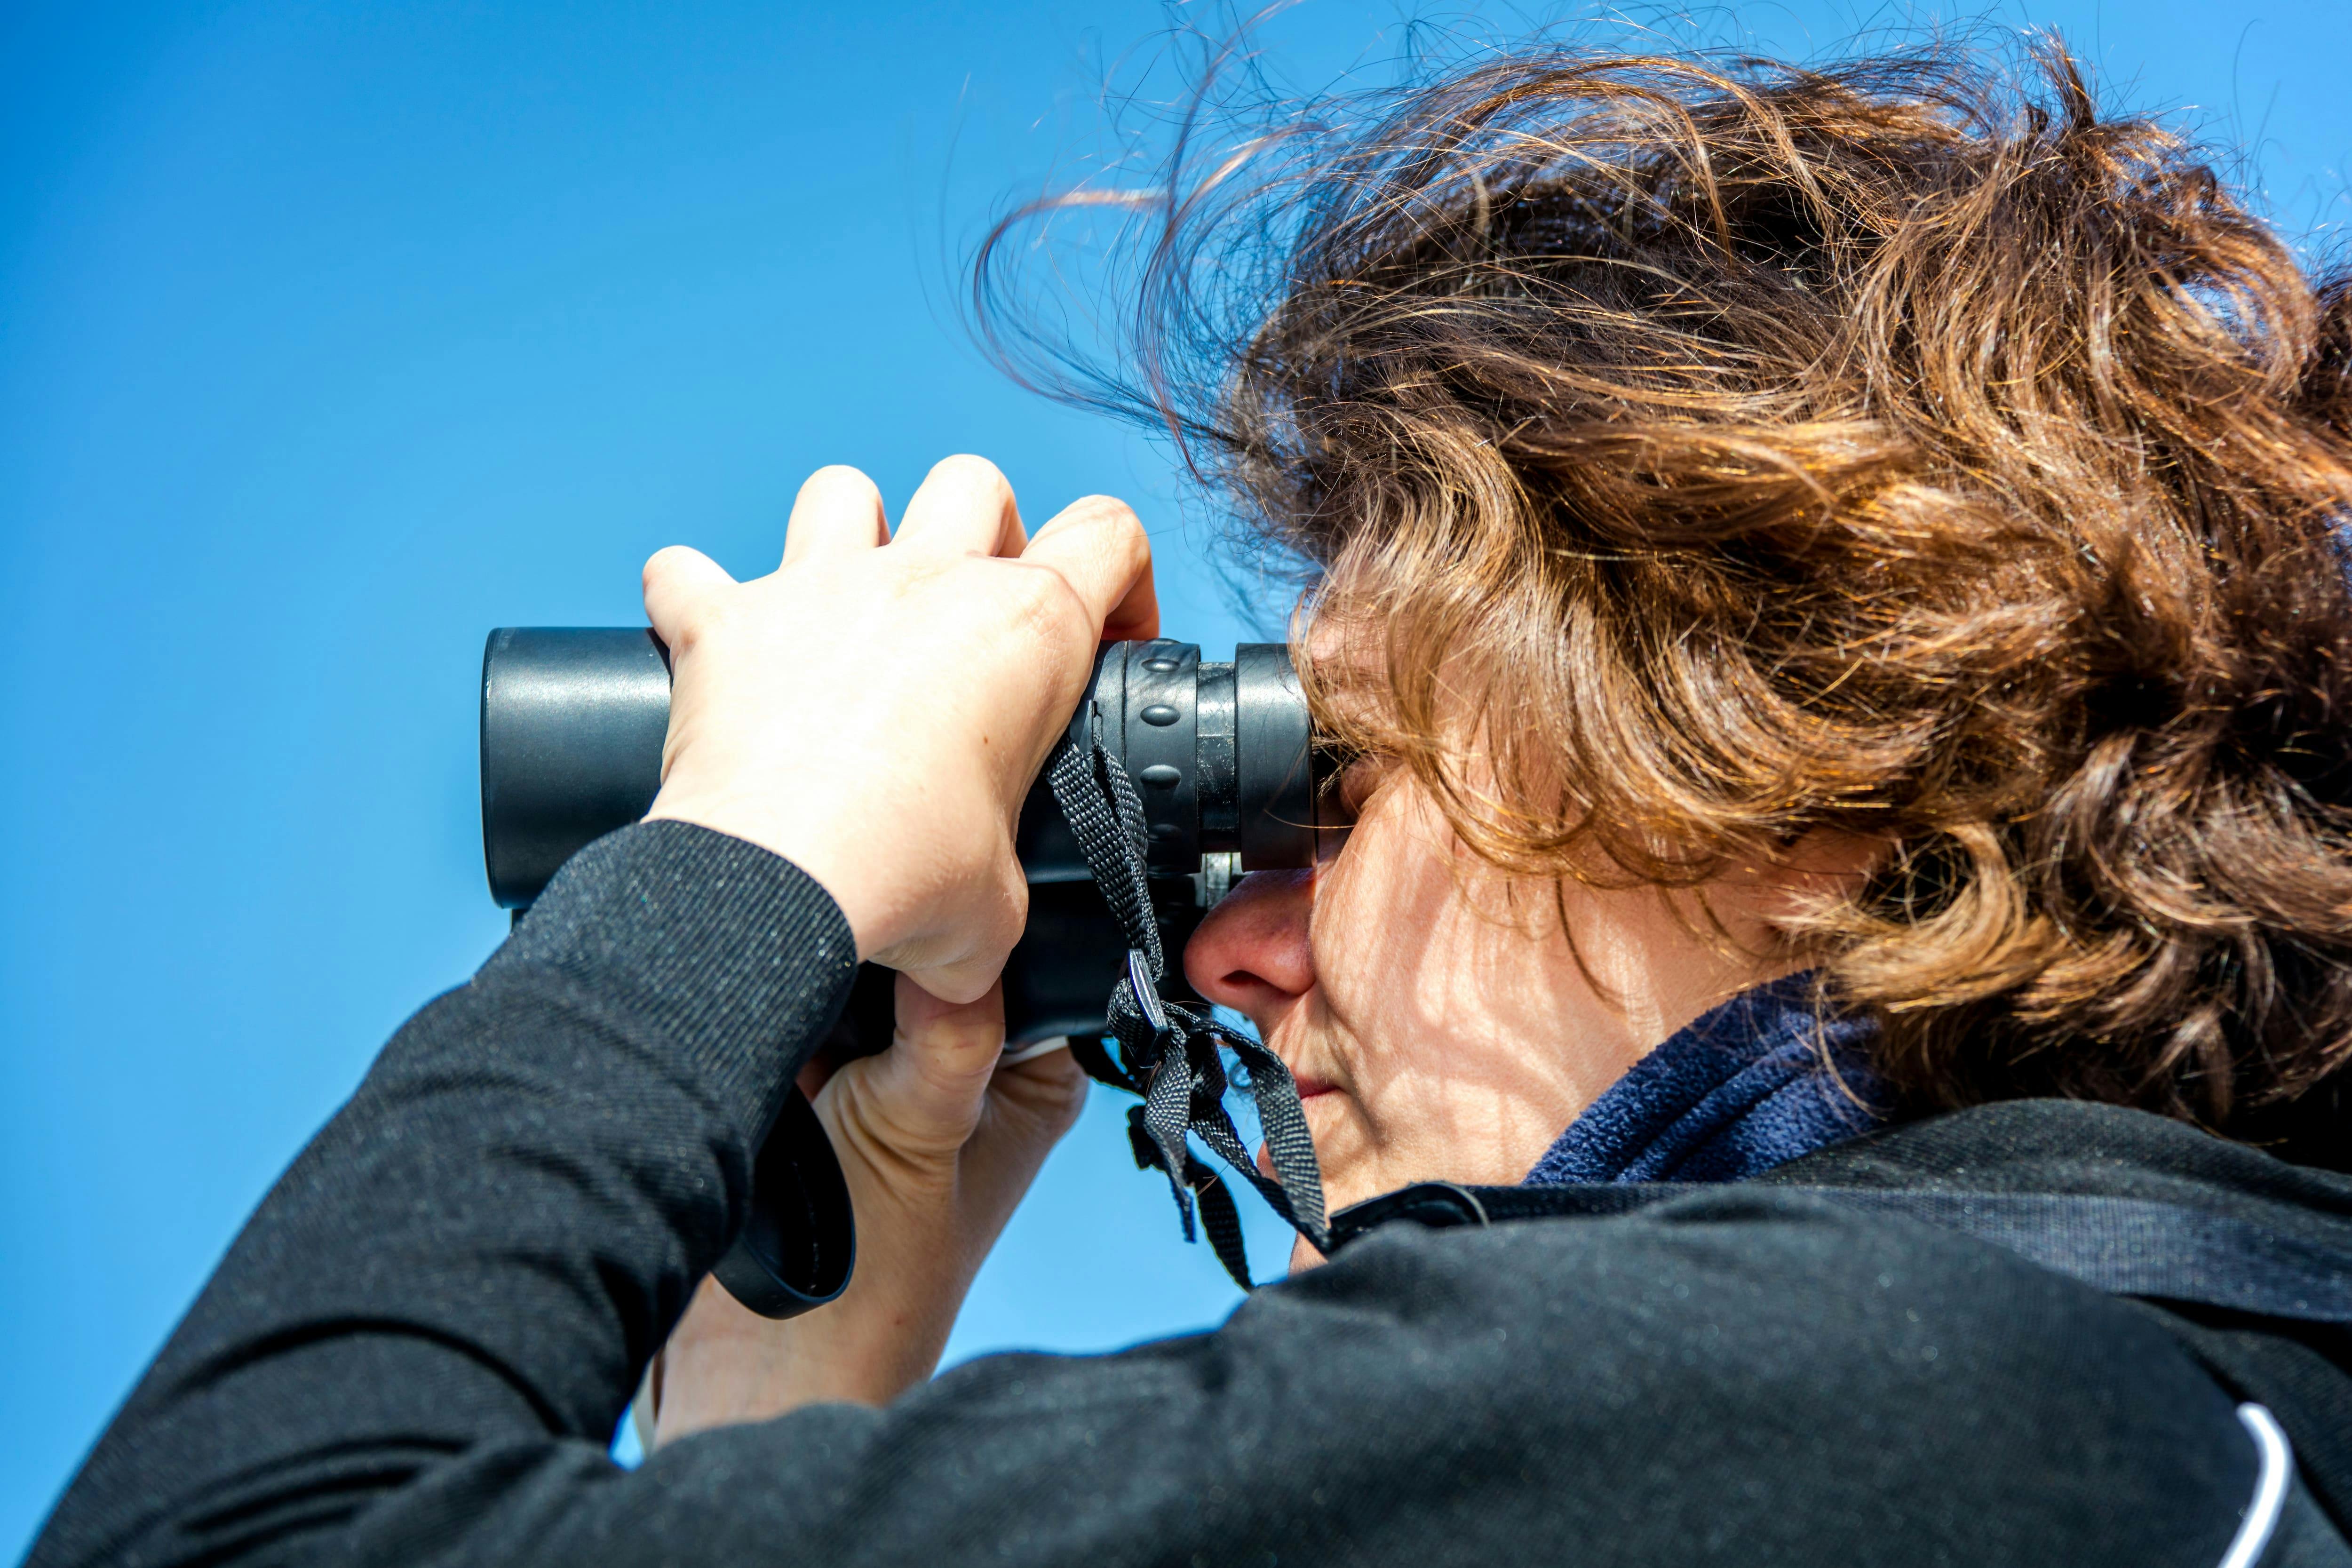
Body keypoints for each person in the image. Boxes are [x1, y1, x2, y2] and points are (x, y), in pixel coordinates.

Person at [27, 38, 2352, 1568]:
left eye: (1334, 790)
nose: (1232, 955)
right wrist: (785, 1411)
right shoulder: (2173, 1405)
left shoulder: (1875, 1405)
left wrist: (732, 876)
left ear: (1810, 777)